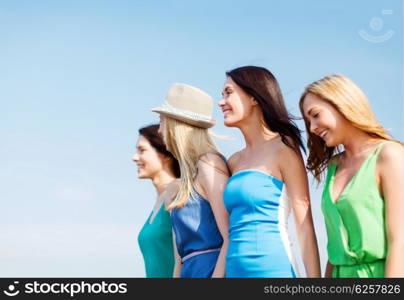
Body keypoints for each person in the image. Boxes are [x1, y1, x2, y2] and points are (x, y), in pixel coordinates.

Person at [219, 66, 321, 278]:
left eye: (228, 93)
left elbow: (304, 225)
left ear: (254, 97)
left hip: (274, 271)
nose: (221, 102)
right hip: (233, 272)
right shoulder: (233, 161)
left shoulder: (284, 149)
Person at [300, 74, 404, 278]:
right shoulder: (333, 166)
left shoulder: (389, 155)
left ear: (341, 104)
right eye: (308, 121)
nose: (312, 128)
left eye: (315, 115)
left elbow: (400, 240)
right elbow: (334, 251)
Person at [151, 83, 230, 278]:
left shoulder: (210, 164)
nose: (160, 131)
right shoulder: (181, 184)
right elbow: (179, 259)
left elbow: (230, 237)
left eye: (162, 121)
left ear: (177, 125)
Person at [133, 124, 180, 277]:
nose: (135, 157)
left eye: (142, 150)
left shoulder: (178, 192)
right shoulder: (158, 201)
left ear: (165, 154)